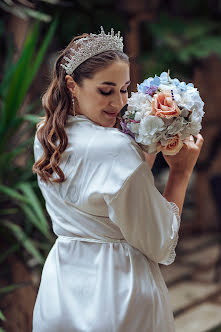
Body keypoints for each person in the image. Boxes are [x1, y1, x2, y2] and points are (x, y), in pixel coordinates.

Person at [32, 27, 203, 332]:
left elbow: (105, 200)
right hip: (116, 291)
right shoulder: (116, 149)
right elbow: (160, 245)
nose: (118, 102)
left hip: (62, 284)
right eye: (106, 90)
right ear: (72, 85)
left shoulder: (47, 133)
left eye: (124, 89)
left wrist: (143, 153)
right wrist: (181, 172)